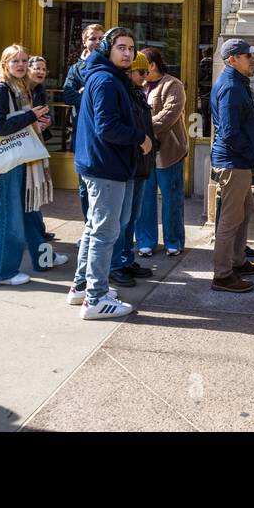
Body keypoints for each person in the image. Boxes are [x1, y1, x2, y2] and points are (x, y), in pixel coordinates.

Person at [69, 27, 150, 319]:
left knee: (96, 227)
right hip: (106, 166)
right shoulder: (105, 80)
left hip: (108, 165)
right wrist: (140, 138)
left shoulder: (110, 77)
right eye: (121, 48)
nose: (127, 53)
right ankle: (96, 297)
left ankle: (82, 286)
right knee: (105, 232)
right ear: (107, 49)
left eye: (130, 48)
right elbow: (107, 127)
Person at [0, 45, 53, 286]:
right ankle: (1, 272)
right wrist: (30, 117)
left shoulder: (18, 88)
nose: (21, 65)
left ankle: (12, 267)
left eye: (24, 60)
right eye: (15, 61)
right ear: (5, 65)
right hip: (6, 164)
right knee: (6, 219)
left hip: (16, 160)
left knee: (18, 215)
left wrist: (36, 124)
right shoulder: (1, 88)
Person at [209, 38, 254, 293]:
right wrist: (250, 151)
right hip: (234, 163)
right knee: (230, 220)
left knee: (246, 210)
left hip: (238, 161)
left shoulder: (237, 83)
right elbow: (230, 132)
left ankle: (237, 260)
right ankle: (222, 274)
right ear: (232, 59)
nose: (252, 59)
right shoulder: (231, 86)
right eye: (247, 55)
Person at [109, 50, 156, 287]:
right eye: (141, 72)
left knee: (132, 217)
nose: (145, 76)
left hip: (140, 163)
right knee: (122, 219)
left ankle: (126, 258)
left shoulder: (137, 93)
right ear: (129, 72)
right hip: (129, 163)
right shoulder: (123, 93)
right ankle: (116, 263)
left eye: (147, 71)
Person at [136, 47, 188, 258]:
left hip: (169, 152)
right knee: (145, 199)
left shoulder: (173, 84)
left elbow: (169, 115)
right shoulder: (137, 85)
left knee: (171, 199)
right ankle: (145, 241)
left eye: (141, 65)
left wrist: (141, 127)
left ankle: (173, 241)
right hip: (144, 152)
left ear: (152, 65)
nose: (137, 70)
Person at [63, 23, 104, 220]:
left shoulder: (111, 64)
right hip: (83, 131)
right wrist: (90, 99)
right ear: (84, 41)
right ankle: (89, 225)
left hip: (106, 131)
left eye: (100, 39)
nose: (96, 42)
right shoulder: (75, 69)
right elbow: (68, 95)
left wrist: (85, 91)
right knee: (84, 184)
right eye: (92, 38)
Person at [26, 55, 58, 244]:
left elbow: (47, 113)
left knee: (36, 186)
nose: (41, 72)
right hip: (20, 147)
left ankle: (38, 230)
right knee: (30, 188)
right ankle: (36, 232)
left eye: (44, 69)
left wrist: (47, 122)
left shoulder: (40, 90)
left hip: (36, 143)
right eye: (37, 68)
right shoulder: (19, 91)